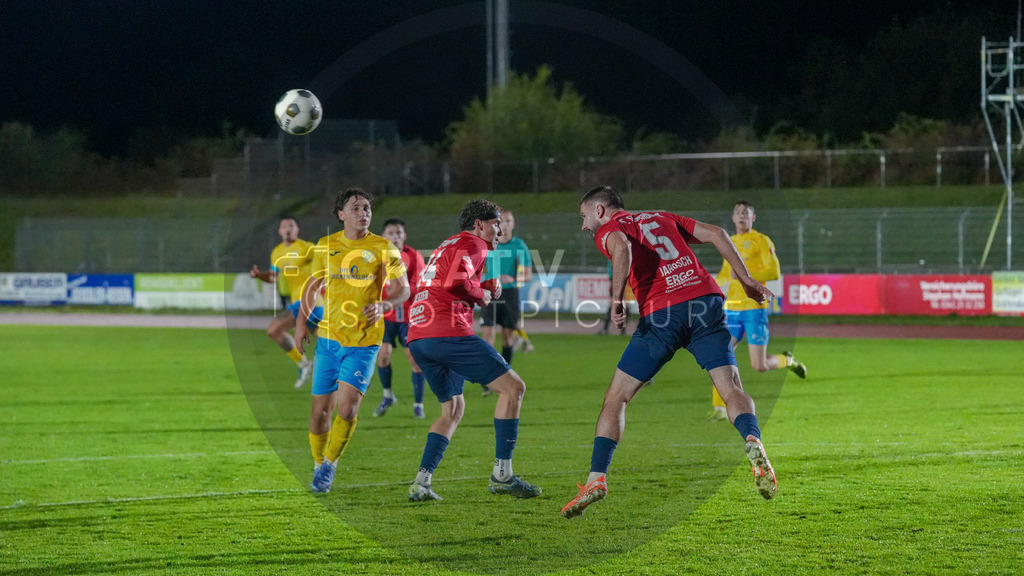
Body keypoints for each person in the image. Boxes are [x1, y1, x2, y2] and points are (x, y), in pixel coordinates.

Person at [561, 186, 778, 519]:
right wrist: (747, 281)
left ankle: (596, 478)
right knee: (731, 387)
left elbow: (622, 250)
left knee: (616, 397)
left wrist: (617, 300)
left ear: (601, 211)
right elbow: (718, 233)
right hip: (705, 302)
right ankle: (752, 438)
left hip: (662, 314)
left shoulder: (609, 230)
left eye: (584, 215)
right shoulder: (663, 216)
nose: (584, 224)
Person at [405, 199, 542, 502]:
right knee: (513, 389)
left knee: (452, 409)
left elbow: (448, 280)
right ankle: (502, 475)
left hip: (419, 336)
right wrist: (481, 293)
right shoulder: (474, 245)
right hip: (447, 332)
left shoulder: (450, 243)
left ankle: (422, 482)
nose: (500, 228)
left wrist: (483, 284)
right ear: (479, 224)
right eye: (495, 223)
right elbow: (455, 284)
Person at [294, 188, 410, 493]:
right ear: (341, 214)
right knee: (320, 412)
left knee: (347, 409)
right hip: (329, 341)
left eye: (368, 208)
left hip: (364, 341)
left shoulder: (385, 247)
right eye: (356, 208)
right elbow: (311, 286)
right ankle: (318, 461)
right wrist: (301, 324)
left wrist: (385, 304)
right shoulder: (326, 245)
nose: (364, 212)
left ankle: (330, 464)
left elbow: (404, 289)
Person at [710, 200, 808, 420]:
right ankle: (719, 408)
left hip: (754, 307)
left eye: (746, 213)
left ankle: (787, 360)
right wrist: (709, 290)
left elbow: (773, 271)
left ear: (753, 218)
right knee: (719, 355)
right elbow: (726, 274)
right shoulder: (729, 241)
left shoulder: (761, 240)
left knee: (759, 365)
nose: (742, 216)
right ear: (733, 219)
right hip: (732, 308)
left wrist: (745, 272)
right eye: (738, 213)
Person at [249, 215, 320, 388]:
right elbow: (273, 277)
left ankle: (305, 365)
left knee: (274, 329)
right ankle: (348, 374)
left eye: (291, 225)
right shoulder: (277, 252)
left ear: (298, 229)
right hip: (299, 303)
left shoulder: (307, 248)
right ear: (280, 231)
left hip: (312, 302)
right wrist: (260, 275)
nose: (288, 229)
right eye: (284, 226)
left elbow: (325, 264)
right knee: (327, 344)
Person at [372, 217, 429, 418]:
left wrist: (395, 291)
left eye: (398, 233)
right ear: (383, 236)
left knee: (414, 359)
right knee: (383, 356)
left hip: (408, 316)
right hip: (386, 317)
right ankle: (388, 396)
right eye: (391, 233)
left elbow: (418, 286)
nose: (395, 236)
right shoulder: (377, 256)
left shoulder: (413, 256)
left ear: (405, 235)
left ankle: (418, 405)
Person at [478, 209, 533, 395]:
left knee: (508, 338)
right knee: (488, 337)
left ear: (513, 225)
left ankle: (503, 376)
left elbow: (527, 275)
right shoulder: (487, 245)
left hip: (510, 294)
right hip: (490, 294)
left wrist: (512, 278)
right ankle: (487, 378)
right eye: (502, 221)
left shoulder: (519, 246)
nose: (505, 224)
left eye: (509, 221)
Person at [597, 260, 631, 335]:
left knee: (616, 303)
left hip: (618, 279)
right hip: (618, 279)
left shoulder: (617, 252)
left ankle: (606, 329)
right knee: (620, 304)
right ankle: (620, 330)